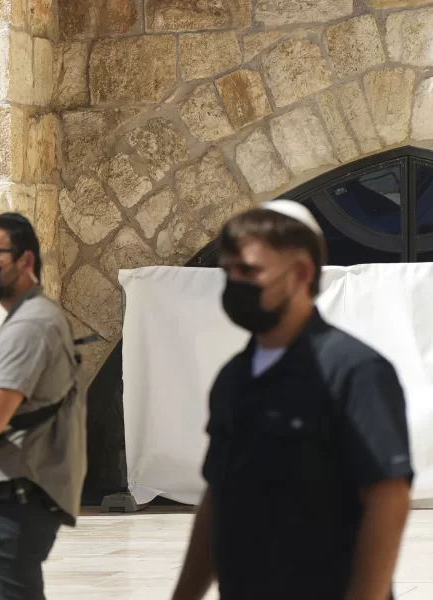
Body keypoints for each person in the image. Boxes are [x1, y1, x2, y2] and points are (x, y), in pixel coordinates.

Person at [171, 200, 414, 600]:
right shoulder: (234, 377)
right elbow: (219, 496)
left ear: (301, 273)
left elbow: (388, 498)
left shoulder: (354, 371)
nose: (234, 283)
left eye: (249, 270)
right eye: (227, 271)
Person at [0, 212, 86, 600]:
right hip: (3, 504)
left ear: (25, 260)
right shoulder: (26, 319)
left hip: (13, 504)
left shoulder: (30, 325)